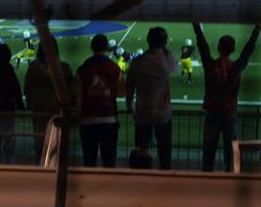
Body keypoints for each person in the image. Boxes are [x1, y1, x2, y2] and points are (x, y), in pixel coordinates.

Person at [192, 22, 261, 172]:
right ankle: (229, 178)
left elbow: (202, 45)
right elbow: (248, 51)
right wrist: (257, 29)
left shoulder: (211, 66)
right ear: (233, 49)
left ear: (218, 47)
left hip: (212, 113)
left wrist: (196, 25)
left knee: (208, 152)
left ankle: (206, 179)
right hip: (229, 114)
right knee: (230, 153)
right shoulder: (236, 68)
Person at [126, 26, 177, 170]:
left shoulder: (137, 62)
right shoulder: (167, 60)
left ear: (148, 40)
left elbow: (129, 86)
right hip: (163, 113)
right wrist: (165, 49)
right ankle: (165, 178)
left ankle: (141, 179)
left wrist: (130, 105)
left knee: (141, 151)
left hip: (143, 112)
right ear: (165, 42)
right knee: (164, 150)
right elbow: (175, 67)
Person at [74, 33, 124, 167]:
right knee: (109, 163)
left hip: (87, 120)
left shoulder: (82, 69)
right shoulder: (115, 68)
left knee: (89, 162)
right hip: (109, 120)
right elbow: (120, 92)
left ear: (92, 48)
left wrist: (77, 117)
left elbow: (79, 97)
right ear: (107, 48)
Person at [24, 38, 73, 160]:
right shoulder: (64, 68)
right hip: (57, 112)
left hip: (40, 112)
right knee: (57, 146)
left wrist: (30, 104)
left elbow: (27, 90)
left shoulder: (33, 68)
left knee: (40, 145)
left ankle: (40, 173)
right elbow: (71, 91)